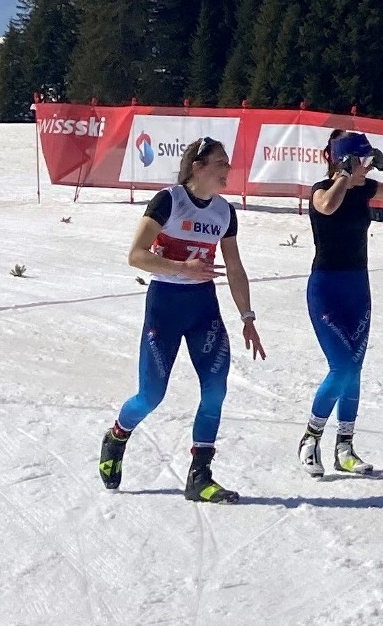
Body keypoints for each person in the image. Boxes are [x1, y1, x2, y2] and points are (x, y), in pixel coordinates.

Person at [99, 136, 267, 504]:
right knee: (151, 396)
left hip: (203, 308)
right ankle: (117, 435)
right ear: (198, 166)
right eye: (221, 163)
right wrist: (182, 268)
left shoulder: (225, 211)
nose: (228, 169)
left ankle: (200, 475)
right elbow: (136, 255)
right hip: (165, 305)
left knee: (216, 389)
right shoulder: (168, 200)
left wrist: (248, 317)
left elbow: (235, 268)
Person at [297, 129, 383, 477]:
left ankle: (345, 447)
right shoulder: (322, 190)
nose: (366, 167)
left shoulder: (366, 188)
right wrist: (342, 176)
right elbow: (328, 206)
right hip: (326, 288)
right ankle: (310, 438)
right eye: (362, 160)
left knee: (354, 370)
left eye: (368, 160)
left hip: (358, 289)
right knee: (342, 368)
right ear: (344, 162)